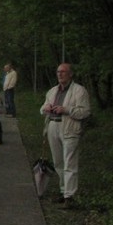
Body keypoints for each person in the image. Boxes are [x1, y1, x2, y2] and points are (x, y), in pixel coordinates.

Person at [40, 63, 91, 206]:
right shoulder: (52, 91)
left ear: (70, 74)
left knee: (70, 162)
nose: (60, 74)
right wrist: (47, 108)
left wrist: (66, 110)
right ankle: (63, 191)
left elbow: (85, 112)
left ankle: (70, 196)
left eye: (63, 72)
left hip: (69, 127)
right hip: (53, 126)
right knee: (58, 162)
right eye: (58, 72)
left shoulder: (79, 91)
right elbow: (42, 108)